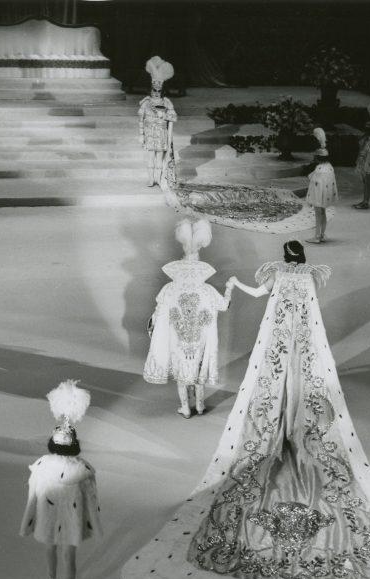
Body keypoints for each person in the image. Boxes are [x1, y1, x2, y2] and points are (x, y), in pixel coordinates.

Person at [120, 241, 370, 579]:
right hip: (303, 345)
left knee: (266, 397)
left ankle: (263, 418)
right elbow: (310, 313)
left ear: (286, 259)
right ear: (302, 259)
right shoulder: (311, 278)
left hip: (276, 343)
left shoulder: (275, 274)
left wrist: (236, 284)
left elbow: (258, 294)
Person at [20, 380, 102, 579]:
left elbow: (33, 496)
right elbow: (92, 500)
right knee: (69, 556)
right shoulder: (83, 470)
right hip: (72, 521)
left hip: (48, 517)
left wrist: (28, 521)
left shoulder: (41, 466)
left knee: (49, 548)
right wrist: (93, 524)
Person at [143, 218, 234, 417]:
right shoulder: (207, 289)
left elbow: (158, 313)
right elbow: (224, 306)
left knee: (182, 372)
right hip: (199, 339)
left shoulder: (169, 288)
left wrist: (153, 327)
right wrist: (229, 289)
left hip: (179, 339)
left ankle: (185, 407)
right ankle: (200, 406)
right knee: (198, 370)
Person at [138, 56, 177, 188]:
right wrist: (141, 135)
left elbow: (174, 117)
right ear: (150, 89)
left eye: (158, 91)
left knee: (160, 157)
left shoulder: (166, 102)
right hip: (150, 133)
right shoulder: (146, 102)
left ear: (162, 91)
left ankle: (158, 179)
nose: (156, 92)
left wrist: (165, 115)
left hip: (161, 133)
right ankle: (150, 179)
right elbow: (140, 119)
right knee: (150, 157)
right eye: (154, 90)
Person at [305, 128, 338, 244]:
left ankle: (317, 236)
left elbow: (315, 186)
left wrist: (312, 200)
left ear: (318, 158)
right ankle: (322, 234)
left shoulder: (319, 170)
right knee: (323, 214)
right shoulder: (329, 167)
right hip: (325, 197)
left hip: (319, 197)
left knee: (318, 215)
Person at [354, 103, 370, 209]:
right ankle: (365, 201)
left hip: (368, 161)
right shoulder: (369, 138)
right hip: (367, 161)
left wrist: (361, 162)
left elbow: (365, 152)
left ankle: (365, 202)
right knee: (366, 181)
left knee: (367, 181)